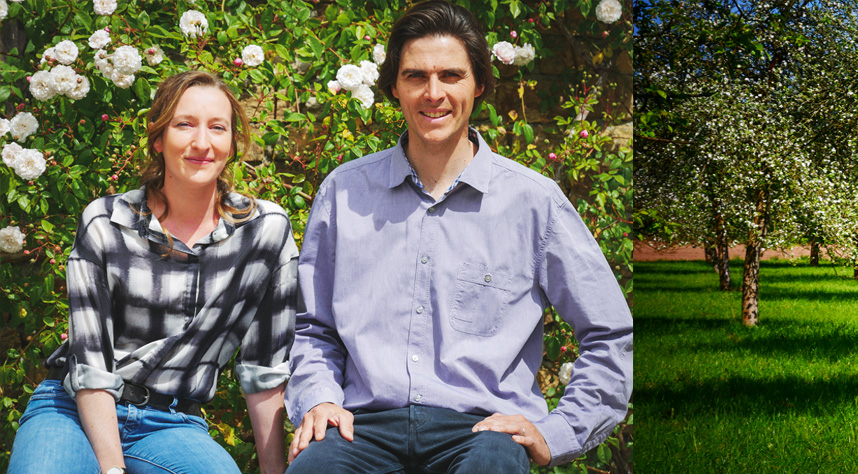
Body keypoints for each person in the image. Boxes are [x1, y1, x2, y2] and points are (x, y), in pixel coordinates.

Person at [283, 1, 633, 472]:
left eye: (451, 76)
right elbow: (315, 329)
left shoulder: (534, 202)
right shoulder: (344, 193)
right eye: (415, 77)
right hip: (360, 429)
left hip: (480, 434)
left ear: (480, 85)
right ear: (394, 87)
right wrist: (319, 400)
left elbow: (609, 333)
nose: (433, 94)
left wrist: (559, 432)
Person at [5, 70, 296, 474]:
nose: (202, 142)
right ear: (158, 139)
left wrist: (274, 471)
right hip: (72, 407)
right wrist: (112, 469)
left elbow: (264, 367)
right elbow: (91, 364)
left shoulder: (265, 232)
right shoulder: (106, 223)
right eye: (184, 125)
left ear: (232, 144)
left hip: (171, 422)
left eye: (217, 128)